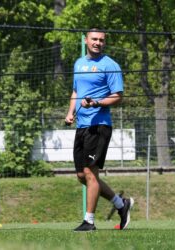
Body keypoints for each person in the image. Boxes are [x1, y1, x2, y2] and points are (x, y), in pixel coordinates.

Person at [65, 28, 133, 232]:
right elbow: (76, 91)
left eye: (101, 40)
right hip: (82, 125)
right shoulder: (79, 63)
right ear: (86, 40)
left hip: (100, 125)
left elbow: (118, 96)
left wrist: (95, 103)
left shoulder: (110, 65)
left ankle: (89, 221)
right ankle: (122, 205)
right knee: (81, 175)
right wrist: (70, 112)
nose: (97, 42)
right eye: (94, 39)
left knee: (90, 172)